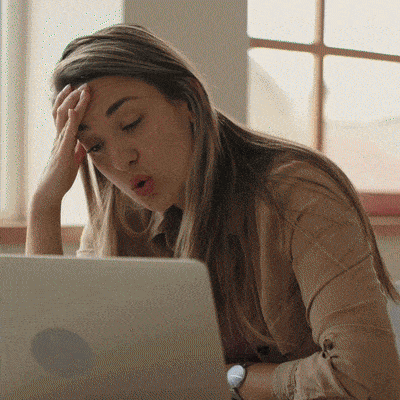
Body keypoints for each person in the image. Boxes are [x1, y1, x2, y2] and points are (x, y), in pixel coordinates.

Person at [25, 24, 400, 399]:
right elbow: (53, 375)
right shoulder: (119, 219)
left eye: (130, 123)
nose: (122, 160)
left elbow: (363, 377)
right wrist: (44, 206)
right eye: (94, 146)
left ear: (188, 101)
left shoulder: (297, 194)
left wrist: (226, 378)